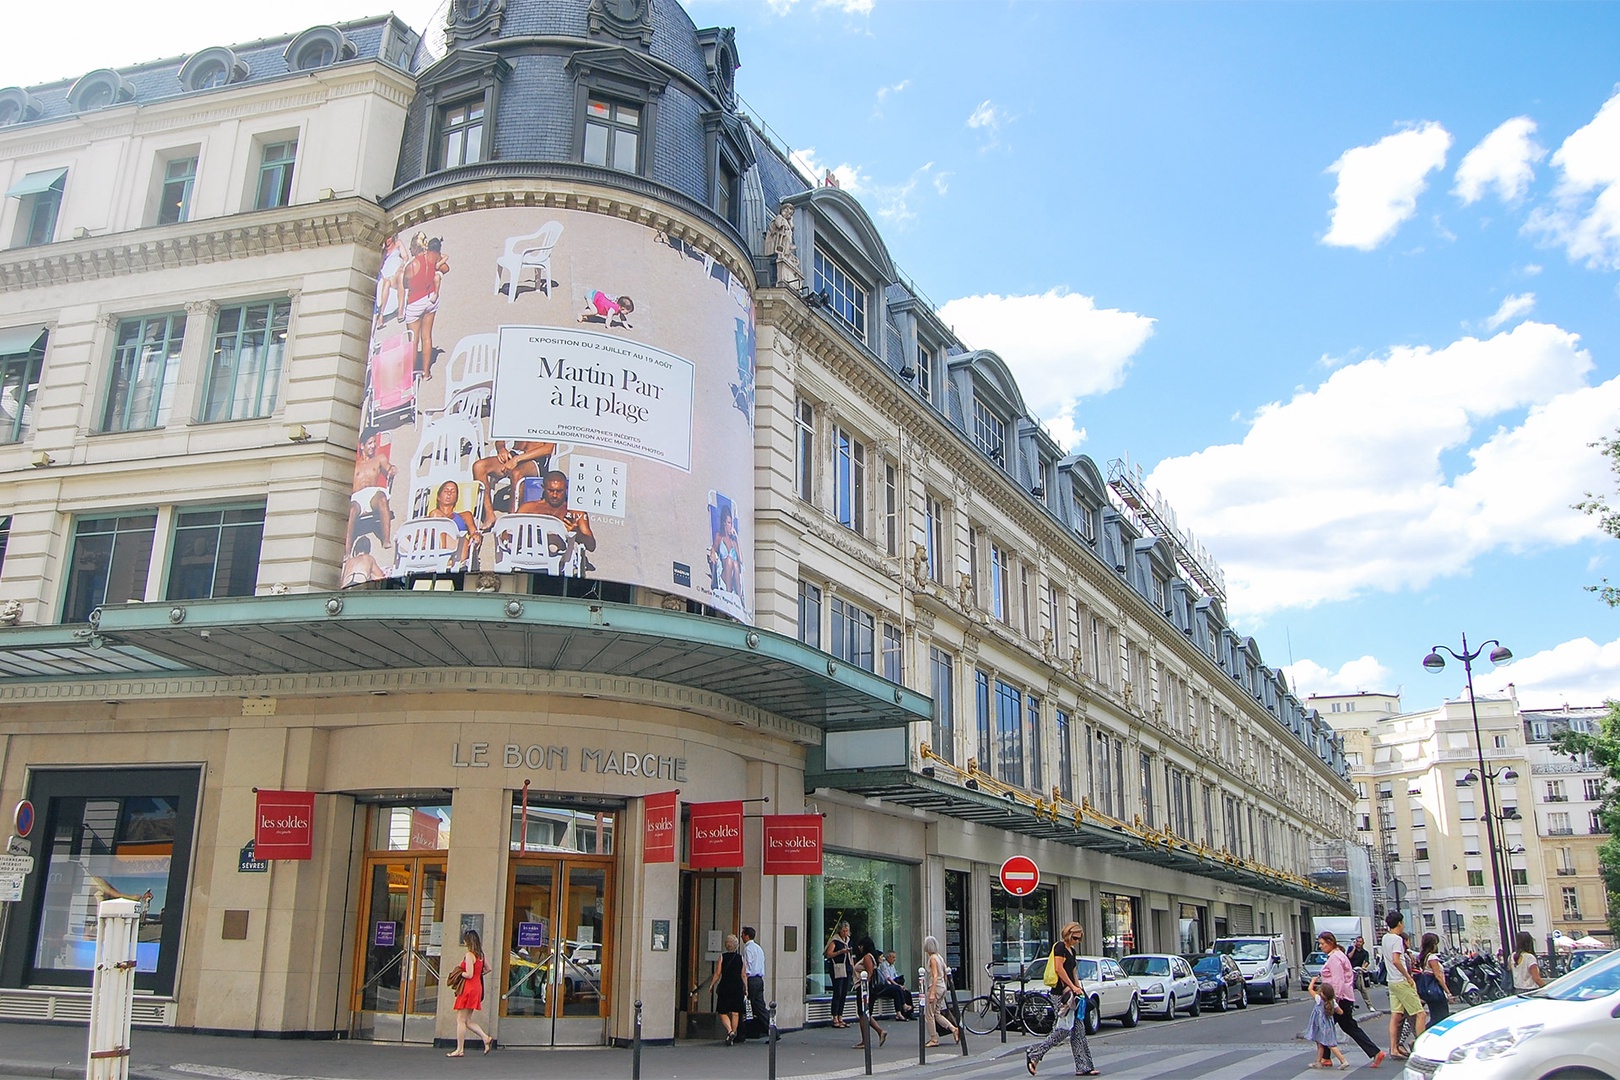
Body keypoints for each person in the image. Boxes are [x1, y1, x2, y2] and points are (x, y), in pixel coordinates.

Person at [1025, 922, 1097, 1076]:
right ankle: (1035, 1054)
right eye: (1076, 937)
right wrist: (1072, 987)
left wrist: (1079, 989)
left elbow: (1073, 971)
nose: (1077, 941)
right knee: (1063, 1029)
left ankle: (1084, 1066)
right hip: (1061, 994)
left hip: (1072, 993)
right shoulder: (1060, 947)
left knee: (1079, 1030)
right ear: (1069, 935)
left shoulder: (1072, 951)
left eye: (1079, 938)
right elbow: (1059, 969)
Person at [1316, 931, 1385, 1067]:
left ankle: (1326, 1058)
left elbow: (1337, 980)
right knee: (1348, 1027)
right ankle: (1375, 1052)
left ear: (1330, 943)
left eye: (1322, 944)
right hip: (1345, 997)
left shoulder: (1335, 958)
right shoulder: (1339, 956)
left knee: (1323, 1026)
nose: (1320, 947)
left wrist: (1333, 1000)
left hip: (1339, 998)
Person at [515, 469, 596, 573]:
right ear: (543, 488)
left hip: (561, 558)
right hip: (529, 555)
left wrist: (576, 533)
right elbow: (506, 534)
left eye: (559, 491)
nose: (554, 495)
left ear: (566, 489)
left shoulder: (576, 512)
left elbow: (591, 546)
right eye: (550, 490)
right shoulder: (529, 508)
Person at [472, 441, 555, 528]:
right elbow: (500, 438)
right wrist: (501, 449)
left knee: (516, 473)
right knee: (479, 467)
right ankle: (489, 515)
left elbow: (548, 449)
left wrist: (517, 459)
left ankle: (512, 518)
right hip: (515, 453)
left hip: (536, 458)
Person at [402, 234, 450, 379]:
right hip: (430, 299)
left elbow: (405, 284)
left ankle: (410, 376)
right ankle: (426, 373)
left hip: (415, 301)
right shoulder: (433, 255)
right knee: (427, 336)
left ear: (415, 248)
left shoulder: (411, 266)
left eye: (411, 247)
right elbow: (446, 269)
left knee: (413, 340)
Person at [1382, 910, 1423, 1060]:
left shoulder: (1385, 938)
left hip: (1391, 981)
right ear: (1399, 923)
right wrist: (1408, 977)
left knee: (1396, 1015)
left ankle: (1393, 1048)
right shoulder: (1397, 939)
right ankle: (1421, 1047)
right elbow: (1396, 960)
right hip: (1400, 980)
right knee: (1420, 1013)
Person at [446, 929, 492, 1057]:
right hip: (477, 987)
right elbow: (489, 968)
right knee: (467, 1020)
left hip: (468, 988)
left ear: (468, 941)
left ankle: (459, 1049)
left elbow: (469, 974)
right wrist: (479, 973)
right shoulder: (481, 955)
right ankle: (485, 1037)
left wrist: (460, 973)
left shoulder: (469, 955)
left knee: (460, 1020)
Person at [426, 480, 481, 566]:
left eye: (453, 491)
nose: (449, 494)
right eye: (446, 491)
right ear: (438, 497)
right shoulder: (430, 517)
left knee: (435, 515)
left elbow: (474, 532)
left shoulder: (465, 515)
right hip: (432, 547)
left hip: (457, 551)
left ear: (456, 498)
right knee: (434, 516)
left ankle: (441, 558)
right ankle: (441, 556)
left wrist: (477, 536)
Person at [921, 934, 959, 1047]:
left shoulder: (932, 958)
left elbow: (935, 975)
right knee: (937, 1013)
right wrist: (945, 987)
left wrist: (932, 993)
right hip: (942, 987)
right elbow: (945, 972)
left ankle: (933, 1039)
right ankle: (953, 1029)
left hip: (935, 987)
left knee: (929, 1014)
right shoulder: (939, 957)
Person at [850, 938, 888, 1050]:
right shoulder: (870, 957)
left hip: (865, 989)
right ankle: (880, 1031)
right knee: (865, 1014)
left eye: (860, 945)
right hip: (866, 988)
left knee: (863, 1014)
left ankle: (865, 1040)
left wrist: (864, 987)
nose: (859, 948)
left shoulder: (867, 957)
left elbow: (869, 972)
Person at [708, 933, 745, 1045]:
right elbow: (743, 974)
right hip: (737, 986)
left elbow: (718, 973)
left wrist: (712, 985)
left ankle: (729, 1031)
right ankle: (733, 1032)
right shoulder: (741, 958)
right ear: (736, 945)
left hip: (725, 986)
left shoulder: (722, 957)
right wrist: (746, 987)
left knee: (722, 1011)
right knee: (735, 1012)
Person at [1305, 979, 1348, 1070]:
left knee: (1330, 1044)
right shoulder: (1333, 1002)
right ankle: (1318, 1062)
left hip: (1320, 1026)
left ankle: (1343, 1061)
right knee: (1321, 1043)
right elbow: (1340, 1012)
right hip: (1328, 1025)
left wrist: (1313, 980)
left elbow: (1310, 989)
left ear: (1322, 993)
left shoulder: (1319, 999)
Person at [1413, 932, 1453, 1024]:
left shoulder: (1424, 957)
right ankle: (1427, 1034)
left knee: (1435, 1016)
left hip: (1429, 992)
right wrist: (1448, 992)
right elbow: (1438, 976)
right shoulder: (1432, 958)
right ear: (1433, 944)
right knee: (1441, 1018)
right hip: (1436, 991)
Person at [740, 925, 769, 1040]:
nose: (741, 936)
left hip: (751, 979)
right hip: (759, 979)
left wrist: (745, 985)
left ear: (747, 936)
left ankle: (742, 1032)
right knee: (760, 1007)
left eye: (742, 934)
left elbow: (747, 967)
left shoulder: (748, 949)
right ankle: (772, 1030)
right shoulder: (759, 948)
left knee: (744, 1006)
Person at [825, 921, 853, 1028]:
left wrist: (853, 967)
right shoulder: (835, 940)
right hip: (838, 967)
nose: (845, 933)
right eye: (843, 931)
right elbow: (829, 954)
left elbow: (850, 956)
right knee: (838, 992)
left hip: (847, 967)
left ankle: (841, 1015)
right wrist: (840, 952)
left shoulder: (849, 941)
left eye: (847, 931)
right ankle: (834, 1016)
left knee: (844, 993)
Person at [875, 950, 914, 1020]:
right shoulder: (883, 965)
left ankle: (905, 1013)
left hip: (893, 985)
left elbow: (895, 976)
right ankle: (904, 1006)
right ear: (888, 957)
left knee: (906, 992)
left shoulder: (892, 966)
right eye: (893, 957)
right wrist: (898, 986)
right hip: (886, 986)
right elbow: (888, 978)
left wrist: (900, 985)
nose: (894, 959)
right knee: (898, 989)